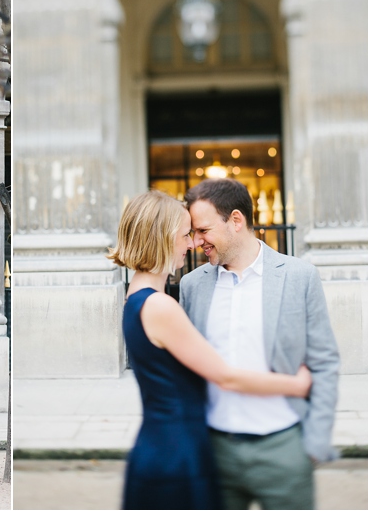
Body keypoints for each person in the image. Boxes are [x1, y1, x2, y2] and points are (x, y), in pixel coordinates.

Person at [108, 190, 313, 510]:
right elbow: (225, 377)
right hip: (178, 453)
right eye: (185, 235)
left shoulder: (134, 297)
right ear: (162, 239)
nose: (191, 244)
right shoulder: (161, 306)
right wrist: (296, 384)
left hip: (160, 445)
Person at [180, 178, 339, 510]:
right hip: (215, 450)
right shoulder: (192, 285)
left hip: (284, 448)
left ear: (236, 221)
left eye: (203, 230)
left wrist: (314, 442)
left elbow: (324, 361)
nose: (196, 242)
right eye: (194, 233)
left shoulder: (299, 276)